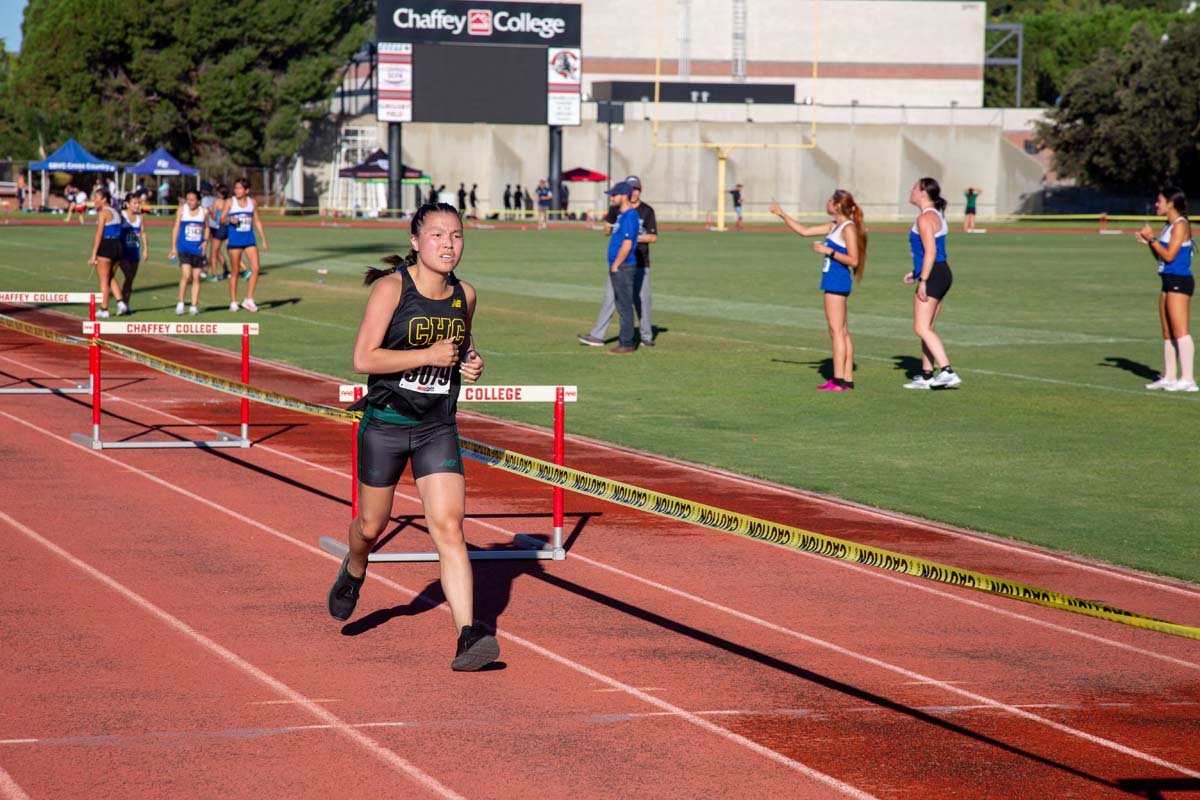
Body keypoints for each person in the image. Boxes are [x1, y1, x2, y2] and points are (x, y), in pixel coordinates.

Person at [326, 202, 497, 671]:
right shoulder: (390, 288)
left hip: (436, 428)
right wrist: (426, 353)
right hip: (385, 424)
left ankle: (468, 635)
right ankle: (355, 568)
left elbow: (461, 346)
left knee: (449, 529)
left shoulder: (466, 294)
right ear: (416, 242)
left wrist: (472, 362)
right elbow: (364, 358)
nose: (448, 244)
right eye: (438, 235)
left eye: (457, 235)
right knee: (370, 527)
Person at [770, 191, 867, 391]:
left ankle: (838, 380)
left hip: (837, 281)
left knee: (836, 331)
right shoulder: (834, 226)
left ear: (839, 205)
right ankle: (846, 380)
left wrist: (828, 251)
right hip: (832, 280)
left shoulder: (847, 228)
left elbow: (854, 260)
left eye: (831, 200)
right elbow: (804, 232)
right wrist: (782, 214)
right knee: (842, 332)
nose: (828, 203)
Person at [579, 175, 658, 348]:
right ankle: (598, 335)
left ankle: (645, 336)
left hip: (639, 262)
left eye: (636, 188)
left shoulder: (645, 211)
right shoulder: (618, 210)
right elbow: (607, 229)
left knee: (641, 300)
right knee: (611, 298)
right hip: (620, 262)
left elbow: (652, 237)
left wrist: (630, 236)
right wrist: (611, 228)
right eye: (631, 188)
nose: (634, 191)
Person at [1135, 187, 1195, 392]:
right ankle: (1170, 376)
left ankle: (1188, 378)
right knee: (1168, 331)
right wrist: (1150, 244)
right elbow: (1162, 258)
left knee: (1180, 331)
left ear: (1170, 203)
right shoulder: (1168, 226)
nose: (1156, 204)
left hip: (1180, 280)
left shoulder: (1180, 225)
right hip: (1167, 279)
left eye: (1159, 200)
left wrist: (1152, 239)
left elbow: (1170, 256)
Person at [903, 177, 961, 389]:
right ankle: (927, 376)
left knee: (921, 327)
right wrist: (915, 272)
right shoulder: (934, 214)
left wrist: (923, 280)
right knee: (927, 327)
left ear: (923, 193)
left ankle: (947, 372)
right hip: (940, 271)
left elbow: (931, 251)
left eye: (914, 187)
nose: (910, 190)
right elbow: (931, 252)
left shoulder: (926, 217)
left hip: (934, 274)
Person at [601, 181, 640, 355]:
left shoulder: (630, 216)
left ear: (624, 195)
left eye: (614, 194)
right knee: (620, 304)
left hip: (623, 266)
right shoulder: (621, 215)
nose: (611, 197)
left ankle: (626, 343)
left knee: (624, 305)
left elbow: (627, 243)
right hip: (618, 266)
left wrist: (616, 264)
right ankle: (625, 341)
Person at [222, 177, 268, 312]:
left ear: (247, 190)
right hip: (235, 240)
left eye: (240, 188)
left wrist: (264, 239)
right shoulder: (230, 202)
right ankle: (233, 302)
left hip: (249, 239)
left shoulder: (252, 202)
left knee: (255, 268)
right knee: (235, 271)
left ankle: (249, 299)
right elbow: (221, 219)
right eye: (236, 188)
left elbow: (257, 221)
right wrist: (230, 219)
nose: (237, 190)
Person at [169, 189, 209, 316]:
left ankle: (194, 305)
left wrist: (205, 241)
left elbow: (207, 228)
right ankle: (180, 303)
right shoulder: (182, 210)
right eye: (188, 199)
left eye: (193, 200)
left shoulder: (204, 212)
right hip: (183, 248)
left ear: (198, 200)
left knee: (196, 277)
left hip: (197, 249)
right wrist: (173, 247)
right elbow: (176, 227)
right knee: (186, 275)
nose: (190, 202)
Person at [87, 187, 126, 318]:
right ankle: (121, 303)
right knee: (110, 276)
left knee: (103, 279)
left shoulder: (103, 213)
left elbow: (99, 234)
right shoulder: (116, 212)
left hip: (107, 245)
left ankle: (104, 309)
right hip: (118, 246)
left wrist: (93, 254)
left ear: (104, 199)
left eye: (96, 198)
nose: (94, 201)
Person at [116, 195, 148, 313]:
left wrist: (145, 249)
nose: (137, 205)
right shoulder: (122, 216)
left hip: (134, 251)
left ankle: (125, 304)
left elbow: (143, 233)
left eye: (138, 203)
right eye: (134, 203)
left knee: (130, 280)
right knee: (128, 276)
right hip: (123, 252)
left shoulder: (140, 217)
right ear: (127, 204)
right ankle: (120, 302)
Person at [206, 183, 231, 281]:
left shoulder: (217, 202)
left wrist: (210, 213)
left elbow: (214, 217)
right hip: (229, 227)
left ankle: (214, 274)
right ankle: (244, 270)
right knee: (231, 251)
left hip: (220, 227)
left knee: (214, 251)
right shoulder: (230, 201)